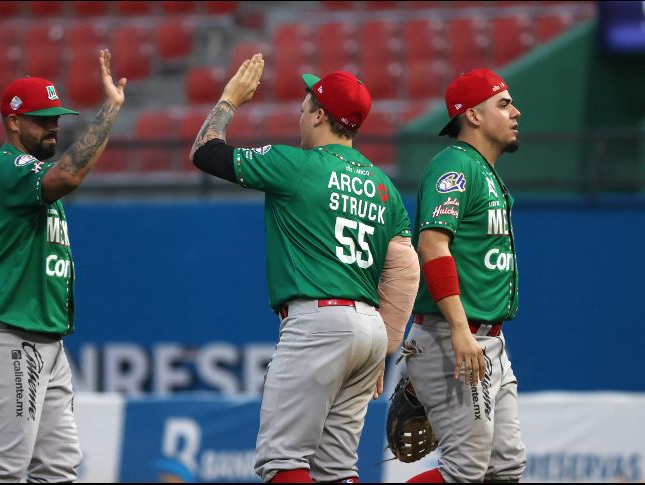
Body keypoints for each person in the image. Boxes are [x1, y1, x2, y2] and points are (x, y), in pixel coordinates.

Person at [189, 54, 419, 483]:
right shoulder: (384, 185)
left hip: (318, 323)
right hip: (369, 327)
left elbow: (204, 152)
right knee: (337, 468)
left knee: (282, 460)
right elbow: (405, 270)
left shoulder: (294, 165)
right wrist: (384, 348)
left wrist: (228, 100)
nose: (300, 116)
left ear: (318, 116)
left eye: (304, 108)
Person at [0, 49, 126, 483]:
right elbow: (68, 176)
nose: (53, 125)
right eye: (41, 118)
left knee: (58, 470)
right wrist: (110, 111)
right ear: (12, 121)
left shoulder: (30, 177)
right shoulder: (10, 168)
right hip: (7, 330)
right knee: (1, 471)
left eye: (56, 117)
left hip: (41, 336)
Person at [402, 68, 527, 483]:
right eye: (504, 104)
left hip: (489, 339)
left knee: (505, 467)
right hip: (456, 337)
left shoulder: (486, 173)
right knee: (464, 470)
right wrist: (460, 330)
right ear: (473, 115)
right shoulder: (455, 166)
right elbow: (432, 245)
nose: (516, 112)